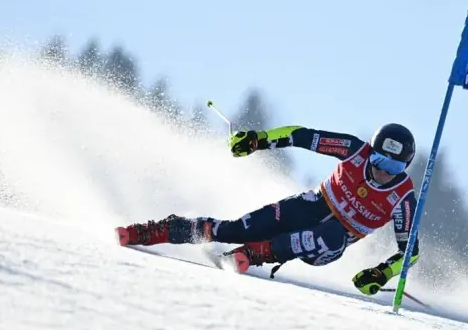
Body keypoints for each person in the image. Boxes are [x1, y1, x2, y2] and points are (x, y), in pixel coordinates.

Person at [115, 123, 421, 296]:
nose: (384, 172)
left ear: (404, 167)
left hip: (329, 244)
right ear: (372, 153)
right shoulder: (355, 150)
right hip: (311, 205)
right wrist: (257, 141)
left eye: (394, 166)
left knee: (332, 233)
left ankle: (254, 254)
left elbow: (411, 251)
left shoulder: (403, 196)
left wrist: (380, 274)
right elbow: (302, 136)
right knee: (232, 229)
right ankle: (155, 231)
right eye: (380, 161)